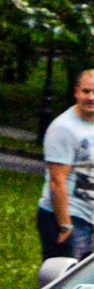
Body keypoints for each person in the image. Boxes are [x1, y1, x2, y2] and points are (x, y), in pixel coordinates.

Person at [39, 68, 94, 263]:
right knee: (65, 280)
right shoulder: (63, 127)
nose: (91, 97)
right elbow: (56, 181)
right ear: (76, 92)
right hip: (69, 215)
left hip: (90, 215)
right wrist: (64, 226)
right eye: (86, 91)